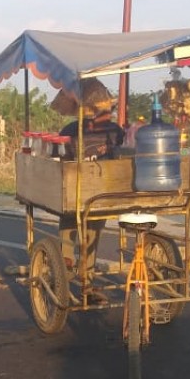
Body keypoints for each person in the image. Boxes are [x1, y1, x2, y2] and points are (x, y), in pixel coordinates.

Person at [57, 100, 124, 281]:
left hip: (102, 190)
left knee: (93, 232)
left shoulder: (115, 131)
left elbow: (121, 154)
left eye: (109, 111)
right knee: (69, 224)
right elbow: (58, 157)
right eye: (103, 112)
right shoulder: (70, 131)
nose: (108, 115)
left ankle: (87, 276)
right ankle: (66, 267)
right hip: (74, 189)